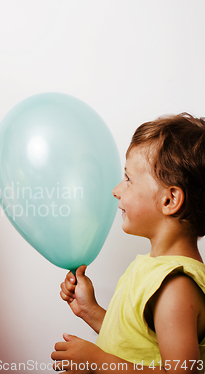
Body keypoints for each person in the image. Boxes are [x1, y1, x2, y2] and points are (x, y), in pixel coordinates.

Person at [52, 113, 205, 373]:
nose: (116, 190)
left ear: (169, 200)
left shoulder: (174, 287)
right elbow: (136, 343)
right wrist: (92, 312)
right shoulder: (153, 269)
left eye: (128, 179)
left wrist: (99, 363)